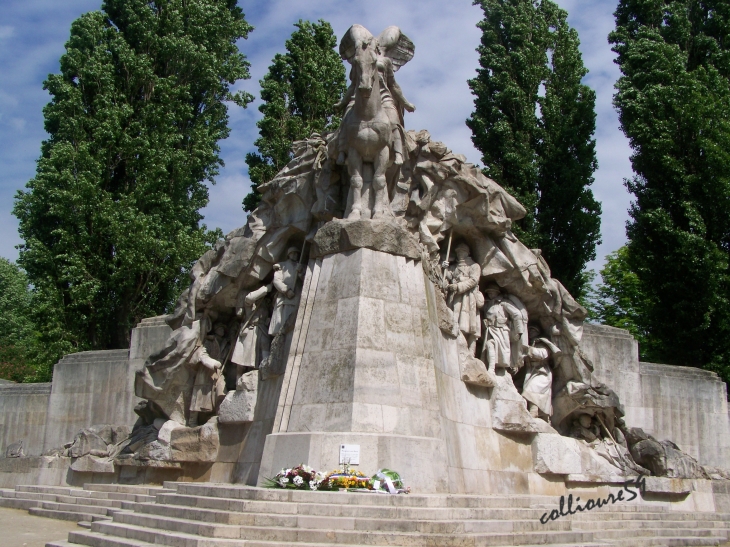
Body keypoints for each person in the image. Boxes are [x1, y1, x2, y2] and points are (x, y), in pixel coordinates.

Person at [336, 26, 416, 166]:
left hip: (383, 97)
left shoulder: (385, 62)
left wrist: (405, 103)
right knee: (346, 119)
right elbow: (353, 85)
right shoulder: (359, 62)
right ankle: (342, 151)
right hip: (358, 97)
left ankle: (398, 152)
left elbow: (393, 85)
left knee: (393, 119)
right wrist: (343, 102)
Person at [442, 242, 482, 355]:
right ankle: (455, 344)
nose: (460, 254)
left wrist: (459, 286)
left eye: (462, 251)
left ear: (467, 253)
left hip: (468, 297)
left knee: (469, 323)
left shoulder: (474, 266)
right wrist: (444, 267)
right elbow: (448, 276)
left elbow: (474, 280)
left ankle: (471, 352)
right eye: (458, 252)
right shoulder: (454, 266)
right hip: (455, 296)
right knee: (454, 318)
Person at [231, 284, 272, 381]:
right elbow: (249, 298)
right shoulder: (250, 304)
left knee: (265, 349)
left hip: (262, 329)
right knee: (242, 359)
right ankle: (238, 380)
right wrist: (266, 289)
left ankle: (264, 374)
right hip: (250, 330)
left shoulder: (265, 305)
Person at [481, 284, 526, 373]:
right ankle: (491, 368)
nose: (490, 294)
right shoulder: (487, 304)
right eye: (489, 292)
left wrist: (519, 331)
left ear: (497, 293)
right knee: (490, 345)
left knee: (501, 353)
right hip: (490, 329)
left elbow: (516, 314)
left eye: (492, 292)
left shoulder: (503, 303)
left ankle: (495, 369)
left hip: (501, 331)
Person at [521, 326, 560, 421]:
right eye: (529, 330)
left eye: (533, 330)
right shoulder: (531, 343)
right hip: (532, 372)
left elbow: (543, 354)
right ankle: (538, 413)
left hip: (542, 373)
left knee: (531, 388)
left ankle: (533, 411)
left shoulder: (542, 343)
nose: (530, 332)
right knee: (532, 391)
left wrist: (529, 350)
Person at [269, 247, 304, 337]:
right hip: (285, 298)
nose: (295, 255)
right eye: (293, 253)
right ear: (289, 255)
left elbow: (306, 281)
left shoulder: (300, 266)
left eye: (296, 254)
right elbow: (276, 281)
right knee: (283, 324)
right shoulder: (282, 265)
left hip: (296, 297)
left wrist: (301, 273)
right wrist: (286, 290)